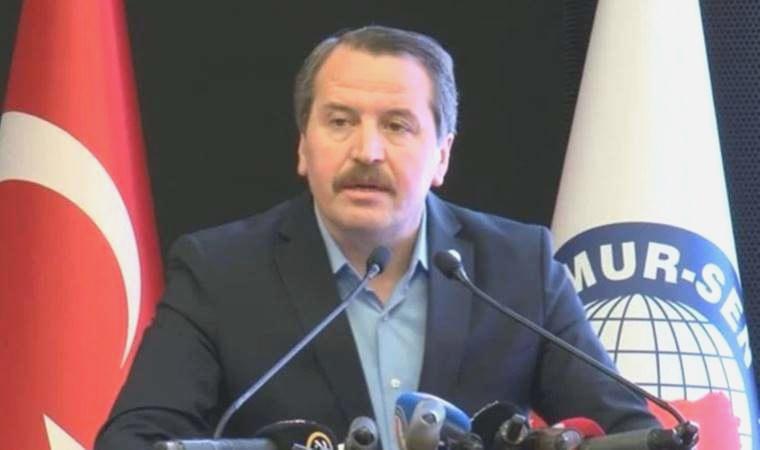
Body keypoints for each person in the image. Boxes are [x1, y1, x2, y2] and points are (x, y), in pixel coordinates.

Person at [95, 25, 658, 450]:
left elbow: (632, 433)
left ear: (442, 155)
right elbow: (133, 441)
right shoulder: (220, 272)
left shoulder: (516, 266)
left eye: (397, 125)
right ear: (303, 145)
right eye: (340, 121)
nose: (366, 151)